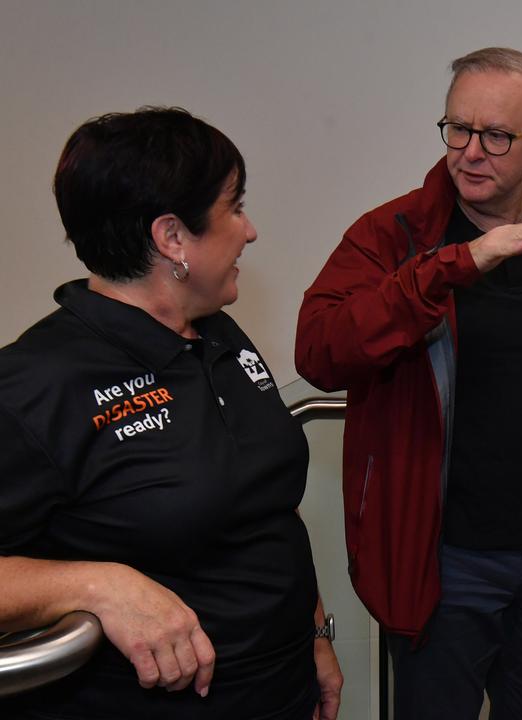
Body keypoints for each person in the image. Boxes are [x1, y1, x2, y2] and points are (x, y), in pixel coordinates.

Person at [295, 47, 522, 719]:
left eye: (496, 135)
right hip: (443, 561)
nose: (469, 151)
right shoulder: (393, 234)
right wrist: (450, 267)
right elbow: (320, 350)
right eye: (456, 129)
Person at [0, 108, 342, 719]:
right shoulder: (35, 384)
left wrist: (315, 637)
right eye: (235, 207)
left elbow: (267, 509)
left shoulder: (219, 332)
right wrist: (97, 585)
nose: (251, 229)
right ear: (172, 238)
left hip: (282, 688)